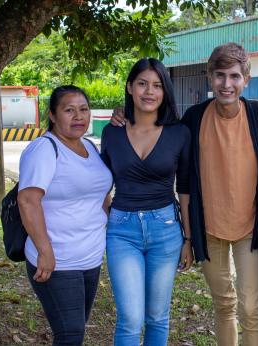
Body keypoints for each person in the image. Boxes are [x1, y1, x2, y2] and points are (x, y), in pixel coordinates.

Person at [111, 43, 258, 346]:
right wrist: (123, 113)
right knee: (223, 305)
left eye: (235, 76)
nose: (227, 84)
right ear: (210, 77)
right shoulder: (194, 119)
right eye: (220, 75)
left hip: (251, 228)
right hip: (209, 229)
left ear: (246, 79)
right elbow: (181, 179)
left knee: (250, 308)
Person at [100, 58, 193, 346]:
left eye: (157, 85)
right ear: (130, 87)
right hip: (122, 231)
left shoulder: (179, 132)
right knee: (129, 319)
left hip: (165, 229)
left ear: (165, 91)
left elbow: (186, 189)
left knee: (157, 316)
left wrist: (187, 239)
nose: (149, 91)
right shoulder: (111, 132)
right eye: (142, 83)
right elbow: (101, 183)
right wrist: (107, 214)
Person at [17, 85, 113, 345]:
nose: (78, 116)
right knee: (70, 335)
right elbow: (27, 200)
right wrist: (45, 251)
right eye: (69, 110)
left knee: (75, 331)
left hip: (89, 259)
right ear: (52, 115)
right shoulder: (45, 149)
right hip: (57, 261)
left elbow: (100, 194)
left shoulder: (90, 147)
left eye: (83, 110)